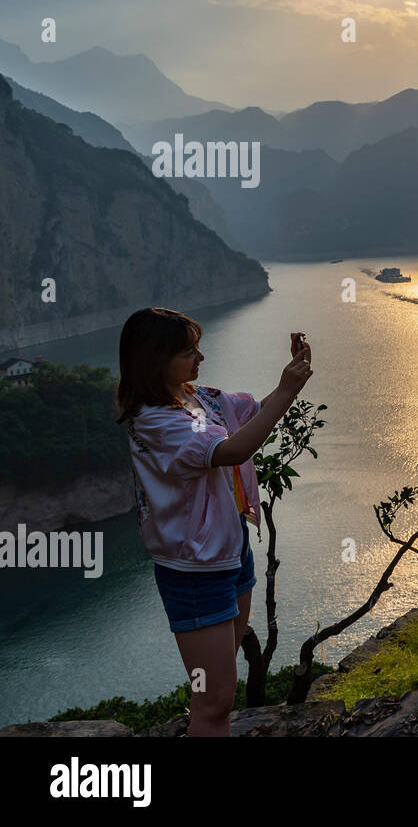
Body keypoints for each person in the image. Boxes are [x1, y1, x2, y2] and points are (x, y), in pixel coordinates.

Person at [115, 308, 313, 736]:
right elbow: (233, 450)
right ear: (154, 359)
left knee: (221, 692)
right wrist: (288, 388)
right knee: (214, 700)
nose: (200, 357)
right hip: (193, 570)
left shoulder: (195, 397)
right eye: (188, 351)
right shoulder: (156, 421)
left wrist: (289, 378)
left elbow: (253, 415)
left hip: (228, 550)